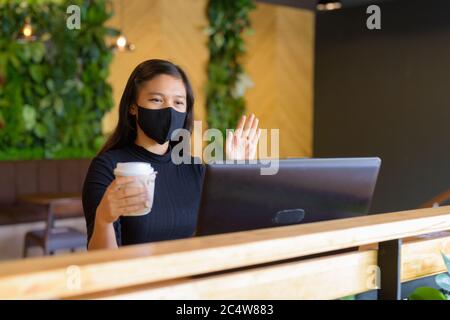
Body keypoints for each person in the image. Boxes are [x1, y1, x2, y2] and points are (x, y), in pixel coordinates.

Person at [82, 59, 261, 250]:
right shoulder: (108, 168)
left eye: (178, 102)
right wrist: (103, 220)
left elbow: (224, 232)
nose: (169, 110)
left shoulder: (195, 169)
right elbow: (103, 261)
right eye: (157, 99)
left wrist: (236, 173)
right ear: (133, 107)